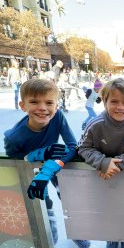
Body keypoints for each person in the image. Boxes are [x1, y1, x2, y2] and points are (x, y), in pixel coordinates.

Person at [3, 79, 91, 248]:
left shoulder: (58, 116)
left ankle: (77, 233)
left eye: (49, 102)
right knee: (42, 200)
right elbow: (14, 158)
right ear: (23, 105)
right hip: (32, 168)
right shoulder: (14, 137)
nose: (43, 107)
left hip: (53, 164)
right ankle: (49, 234)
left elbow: (73, 146)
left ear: (56, 106)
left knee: (68, 198)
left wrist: (48, 169)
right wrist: (37, 155)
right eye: (34, 102)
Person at [78, 78, 124, 248]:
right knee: (109, 214)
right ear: (104, 102)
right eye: (114, 101)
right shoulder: (95, 124)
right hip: (104, 179)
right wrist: (102, 162)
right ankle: (111, 241)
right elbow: (82, 147)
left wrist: (115, 165)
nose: (120, 107)